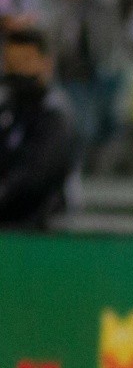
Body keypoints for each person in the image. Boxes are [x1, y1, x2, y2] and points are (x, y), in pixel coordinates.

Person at [0, 29, 76, 230]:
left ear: (46, 63)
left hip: (44, 228)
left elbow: (37, 176)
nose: (17, 70)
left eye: (25, 61)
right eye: (10, 63)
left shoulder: (55, 114)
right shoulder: (7, 110)